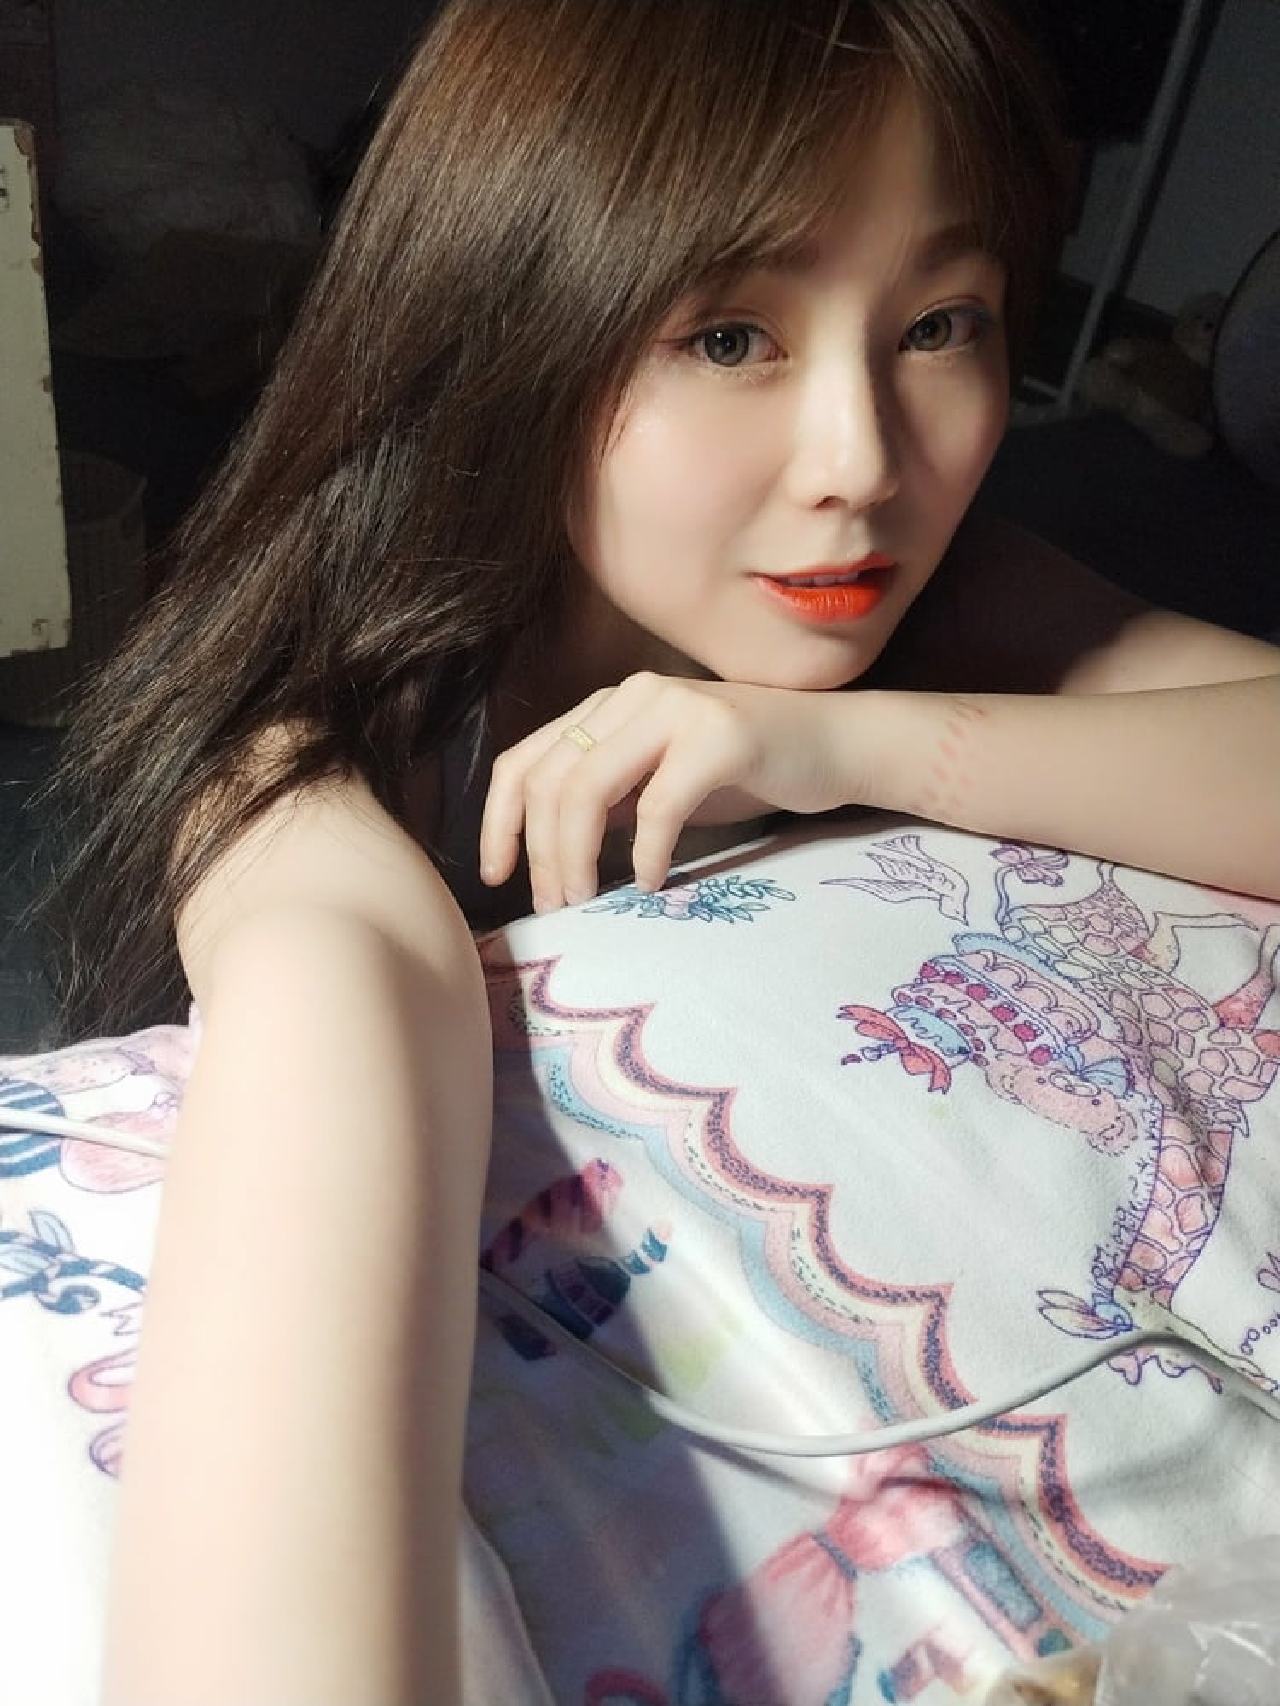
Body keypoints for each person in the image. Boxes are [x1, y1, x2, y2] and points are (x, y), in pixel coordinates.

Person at [41, 1, 1279, 1700]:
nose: (862, 463)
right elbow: (339, 994)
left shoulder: (949, 601)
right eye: (730, 336)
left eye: (940, 322)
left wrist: (848, 741)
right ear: (509, 326)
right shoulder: (320, 746)